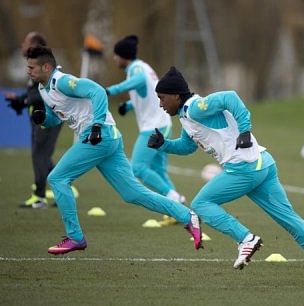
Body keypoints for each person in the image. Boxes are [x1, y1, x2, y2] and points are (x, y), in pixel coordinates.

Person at [147, 66, 304, 289]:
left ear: (175, 95)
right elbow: (187, 146)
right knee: (290, 220)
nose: (160, 104)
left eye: (162, 98)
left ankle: (245, 239)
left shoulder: (196, 108)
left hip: (245, 169)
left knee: (201, 204)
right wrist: (164, 145)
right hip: (263, 163)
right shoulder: (186, 116)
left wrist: (245, 130)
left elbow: (231, 97)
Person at [25, 46, 202, 255]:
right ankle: (186, 216)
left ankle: (75, 237)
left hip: (98, 136)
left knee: (57, 178)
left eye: (32, 67)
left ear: (46, 67)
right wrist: (44, 119)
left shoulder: (61, 81)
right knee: (132, 193)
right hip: (108, 138)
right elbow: (58, 115)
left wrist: (97, 125)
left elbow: (97, 91)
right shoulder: (43, 89)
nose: (28, 71)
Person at [106, 35, 185, 226]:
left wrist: (111, 91)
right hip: (160, 123)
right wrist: (128, 105)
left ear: (124, 56)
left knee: (138, 168)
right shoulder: (144, 67)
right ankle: (178, 211)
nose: (115, 59)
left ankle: (175, 198)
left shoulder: (137, 69)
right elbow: (147, 93)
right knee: (158, 170)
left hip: (155, 126)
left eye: (116, 55)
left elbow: (140, 81)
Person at [3, 32, 78, 208]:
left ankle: (40, 196)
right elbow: (34, 93)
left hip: (49, 117)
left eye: (25, 42)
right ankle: (64, 188)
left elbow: (42, 95)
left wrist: (25, 101)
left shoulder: (46, 71)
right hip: (41, 118)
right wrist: (21, 101)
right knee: (43, 155)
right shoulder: (33, 69)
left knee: (40, 154)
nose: (22, 45)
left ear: (34, 46)